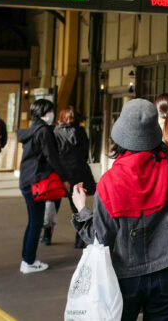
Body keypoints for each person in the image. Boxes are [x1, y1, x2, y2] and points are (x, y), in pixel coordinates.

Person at [71, 98, 168, 321]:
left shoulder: (109, 181)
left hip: (123, 276)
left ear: (120, 138)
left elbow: (100, 238)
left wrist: (81, 210)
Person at [18, 98, 70, 273]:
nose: (51, 115)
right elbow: (52, 157)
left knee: (33, 221)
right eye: (49, 111)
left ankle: (26, 259)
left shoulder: (31, 130)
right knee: (36, 222)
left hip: (26, 180)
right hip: (36, 181)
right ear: (42, 113)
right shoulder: (44, 131)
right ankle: (29, 262)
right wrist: (64, 178)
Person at [52, 105, 97, 248]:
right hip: (78, 172)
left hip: (62, 172)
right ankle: (79, 238)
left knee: (53, 205)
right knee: (78, 206)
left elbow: (54, 155)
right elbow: (85, 153)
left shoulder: (56, 133)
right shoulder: (81, 132)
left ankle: (47, 235)